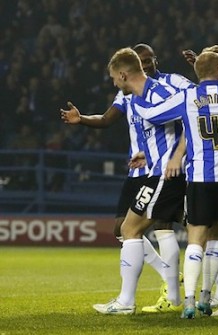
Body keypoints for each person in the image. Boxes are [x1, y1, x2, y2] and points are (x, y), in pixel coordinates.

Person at [61, 44, 193, 314]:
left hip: (167, 174)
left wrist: (177, 155)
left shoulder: (163, 90)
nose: (112, 82)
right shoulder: (134, 96)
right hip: (156, 169)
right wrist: (149, 153)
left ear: (123, 74)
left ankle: (129, 301)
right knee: (197, 228)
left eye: (113, 77)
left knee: (135, 229)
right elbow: (113, 120)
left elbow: (193, 113)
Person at [132, 51, 218, 319]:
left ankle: (188, 300)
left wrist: (134, 97)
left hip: (200, 179)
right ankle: (207, 297)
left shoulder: (187, 96)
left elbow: (153, 115)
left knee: (196, 240)